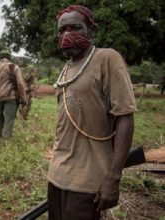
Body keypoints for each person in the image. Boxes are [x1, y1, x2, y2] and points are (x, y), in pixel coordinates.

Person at [47, 5, 137, 219]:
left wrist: (113, 178)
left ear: (91, 31)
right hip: (57, 174)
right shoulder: (67, 67)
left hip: (87, 180)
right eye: (62, 30)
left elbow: (125, 117)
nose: (67, 35)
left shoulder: (107, 59)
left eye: (75, 28)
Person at [0, 50, 27, 139]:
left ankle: (0, 135)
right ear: (9, 57)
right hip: (10, 97)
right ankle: (5, 139)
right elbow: (20, 84)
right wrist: (23, 99)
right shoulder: (14, 67)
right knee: (9, 119)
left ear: (0, 57)